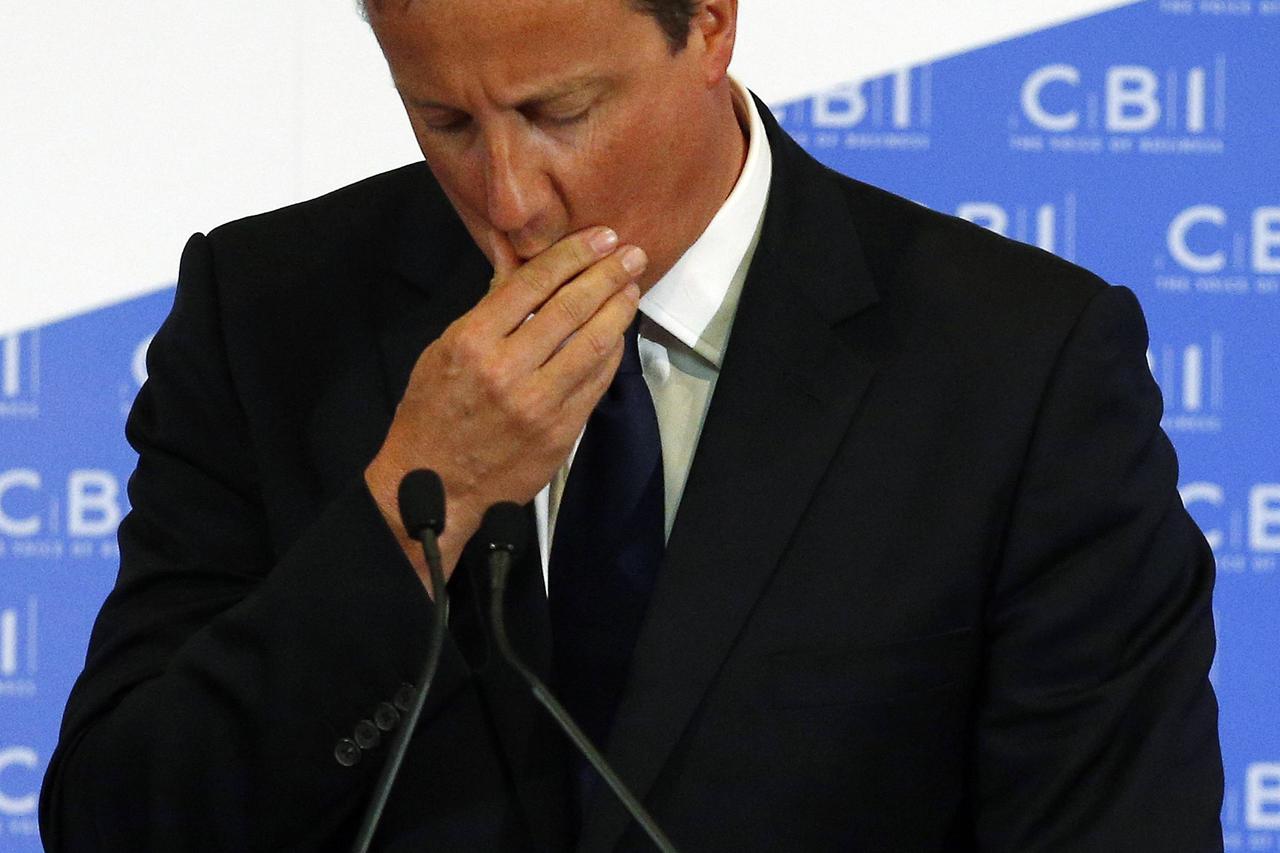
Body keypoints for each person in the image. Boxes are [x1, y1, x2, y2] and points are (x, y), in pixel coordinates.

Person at [42, 0, 1224, 850]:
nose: (506, 195)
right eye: (445, 120)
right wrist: (421, 500)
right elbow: (122, 818)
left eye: (558, 110)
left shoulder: (1014, 365)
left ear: (710, 25)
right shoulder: (269, 317)